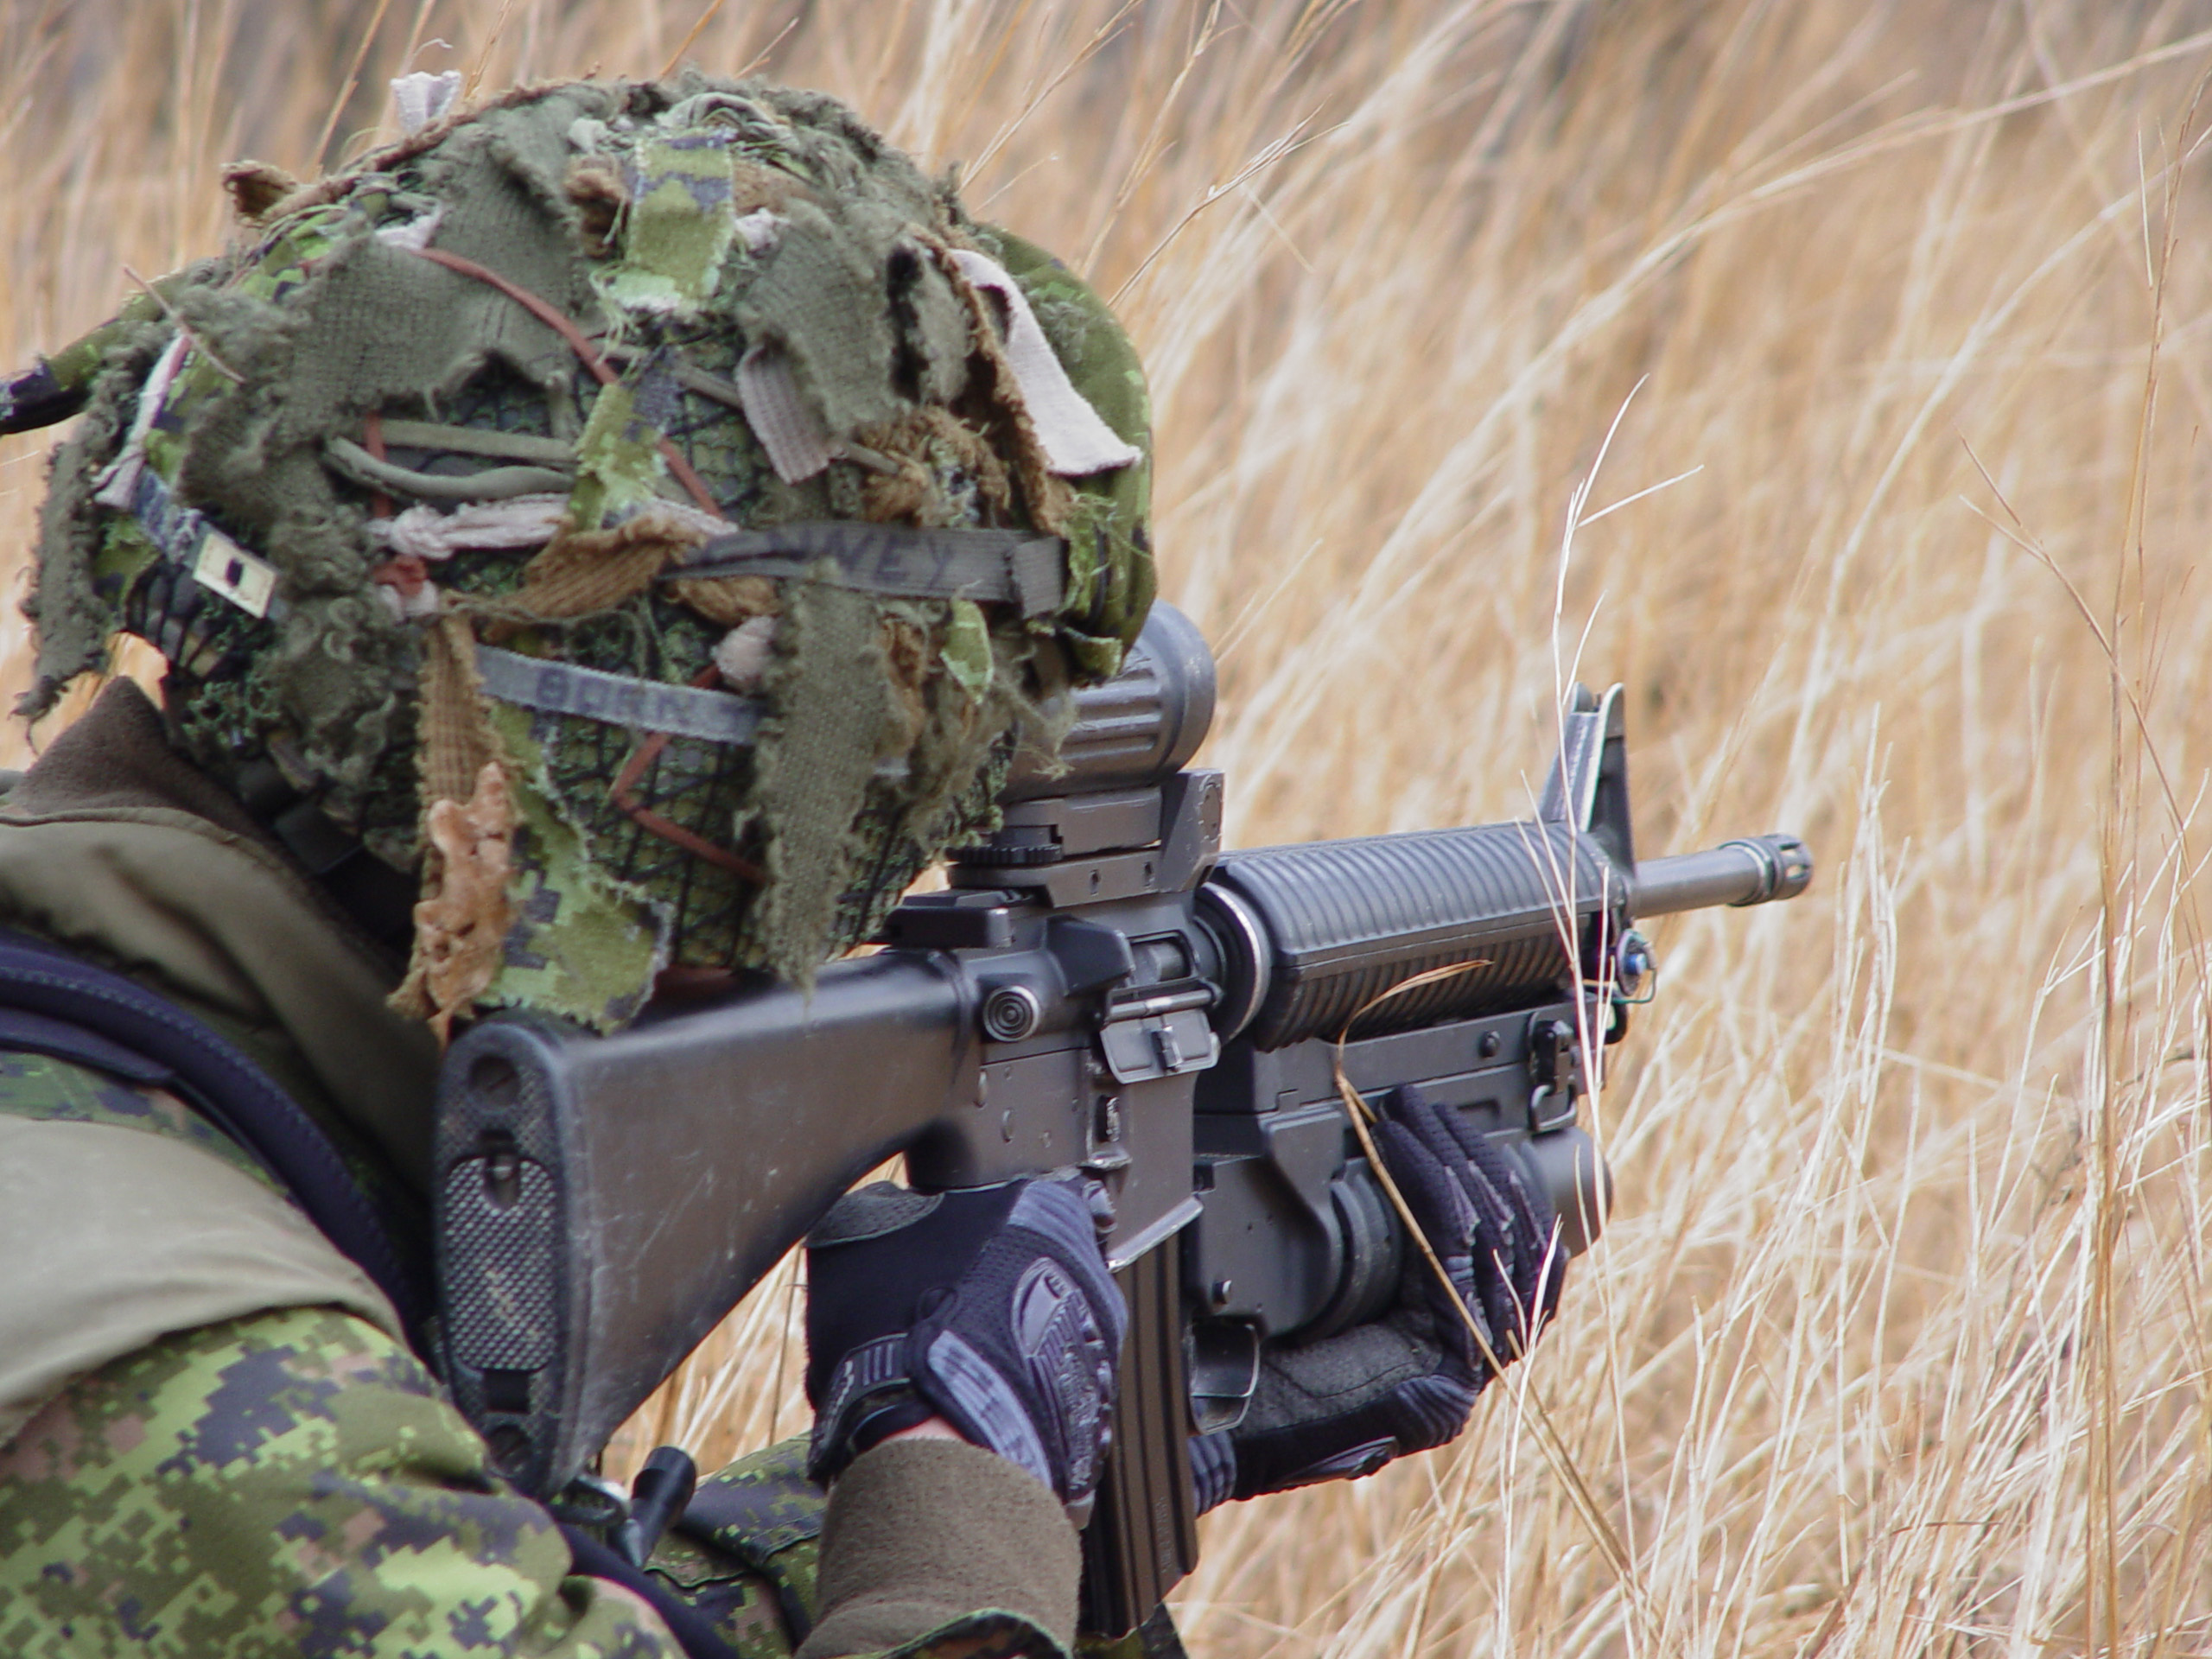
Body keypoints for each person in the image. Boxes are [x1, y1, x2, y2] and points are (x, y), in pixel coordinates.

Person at [0, 72, 1562, 1659]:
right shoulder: (200, 1402)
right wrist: (963, 1504)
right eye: (826, 877)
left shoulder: (122, 1129)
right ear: (661, 862)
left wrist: (1012, 1478)